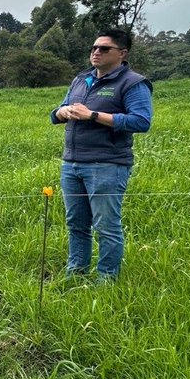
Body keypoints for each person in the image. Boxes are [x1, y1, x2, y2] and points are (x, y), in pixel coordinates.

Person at [51, 29, 153, 282]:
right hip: (72, 163)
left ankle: (106, 281)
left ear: (122, 53)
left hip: (106, 165)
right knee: (76, 223)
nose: (96, 52)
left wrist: (93, 115)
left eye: (104, 48)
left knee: (106, 226)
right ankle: (75, 274)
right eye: (94, 48)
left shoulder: (132, 83)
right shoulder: (81, 80)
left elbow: (141, 121)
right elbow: (57, 111)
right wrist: (62, 113)